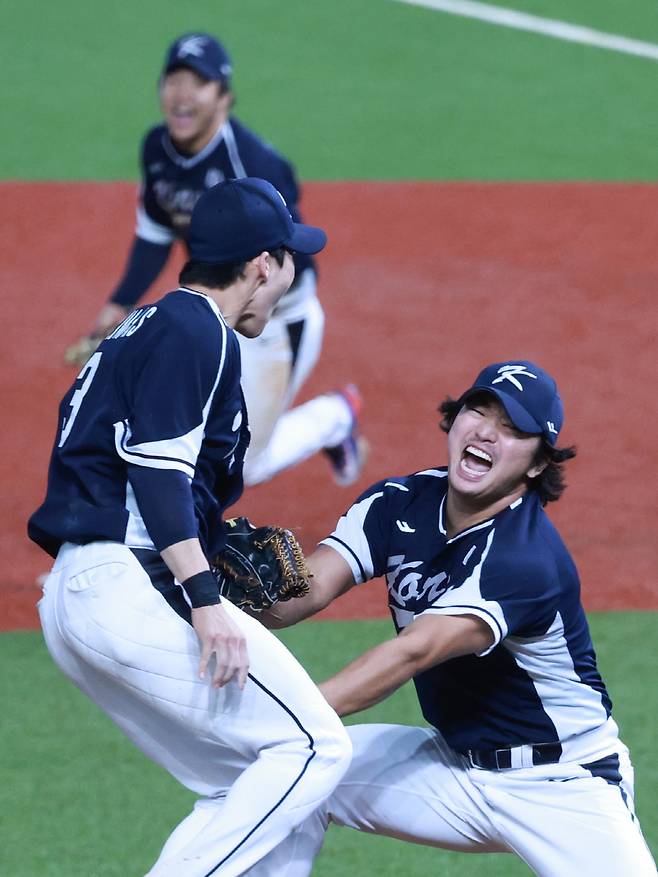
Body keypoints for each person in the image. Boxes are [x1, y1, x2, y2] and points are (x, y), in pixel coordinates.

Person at [29, 177, 352, 877]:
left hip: (84, 593)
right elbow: (157, 471)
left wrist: (206, 538)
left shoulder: (149, 325)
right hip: (127, 585)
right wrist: (206, 598)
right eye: (289, 261)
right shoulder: (196, 329)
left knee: (268, 793)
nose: (290, 279)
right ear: (262, 263)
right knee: (315, 748)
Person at [249, 360, 657, 876]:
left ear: (537, 466)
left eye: (512, 429)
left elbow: (412, 652)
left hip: (563, 783)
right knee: (293, 777)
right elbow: (301, 593)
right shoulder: (399, 503)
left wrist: (289, 714)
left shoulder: (523, 559)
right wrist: (208, 584)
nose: (486, 432)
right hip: (452, 765)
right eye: (478, 411)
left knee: (295, 740)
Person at [65, 31, 367, 488]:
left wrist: (242, 311)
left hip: (276, 322)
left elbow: (295, 265)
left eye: (198, 83)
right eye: (173, 80)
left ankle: (336, 417)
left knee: (241, 465)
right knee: (189, 430)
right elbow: (156, 233)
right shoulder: (157, 149)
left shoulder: (254, 166)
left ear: (224, 97)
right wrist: (120, 302)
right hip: (219, 309)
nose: (182, 95)